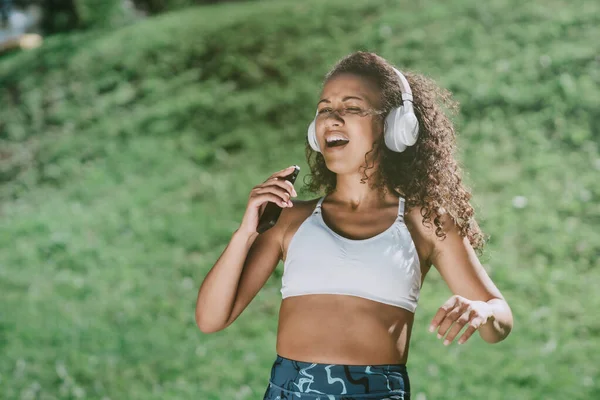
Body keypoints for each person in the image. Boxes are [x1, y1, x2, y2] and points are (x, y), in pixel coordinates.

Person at [195, 51, 514, 400]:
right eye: (324, 109)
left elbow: (500, 317)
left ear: (395, 126)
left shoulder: (425, 221)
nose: (332, 118)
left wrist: (483, 311)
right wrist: (246, 232)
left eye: (352, 108)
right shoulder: (290, 219)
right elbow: (211, 319)